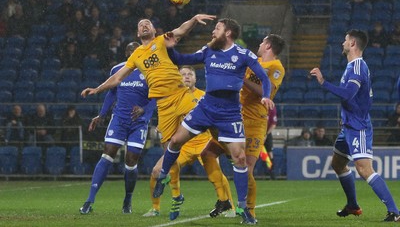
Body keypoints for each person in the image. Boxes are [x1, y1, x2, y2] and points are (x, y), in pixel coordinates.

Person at [80, 14, 215, 212]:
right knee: (171, 145)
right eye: (140, 24)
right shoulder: (135, 57)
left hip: (180, 94)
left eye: (148, 24)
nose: (144, 25)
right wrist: (97, 89)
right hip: (164, 106)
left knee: (209, 115)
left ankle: (226, 146)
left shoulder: (161, 41)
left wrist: (194, 19)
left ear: (153, 30)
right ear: (137, 32)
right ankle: (166, 180)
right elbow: (117, 79)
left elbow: (181, 30)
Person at [153, 18, 275, 224]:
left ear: (227, 33)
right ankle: (163, 175)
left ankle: (243, 208)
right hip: (206, 107)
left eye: (216, 28)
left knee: (240, 159)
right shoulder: (208, 51)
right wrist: (171, 49)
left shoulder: (243, 55)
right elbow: (183, 58)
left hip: (229, 114)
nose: (212, 31)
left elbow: (265, 78)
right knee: (175, 141)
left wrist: (266, 96)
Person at [310, 29, 400, 222]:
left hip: (358, 127)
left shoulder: (358, 67)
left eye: (345, 40)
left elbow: (348, 94)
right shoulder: (351, 66)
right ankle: (352, 205)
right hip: (349, 126)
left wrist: (323, 82)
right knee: (337, 163)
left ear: (352, 44)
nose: (342, 43)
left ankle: (394, 211)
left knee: (364, 169)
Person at [199, 34, 285, 219]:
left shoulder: (276, 67)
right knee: (207, 154)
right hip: (233, 119)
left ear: (268, 45)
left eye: (262, 41)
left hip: (254, 123)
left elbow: (264, 92)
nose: (260, 44)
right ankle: (224, 200)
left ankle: (249, 211)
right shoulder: (254, 60)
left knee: (246, 169)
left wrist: (241, 78)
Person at [143, 65, 235, 220]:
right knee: (156, 171)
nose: (186, 77)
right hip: (184, 147)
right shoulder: (173, 98)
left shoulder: (205, 96)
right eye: (183, 74)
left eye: (190, 74)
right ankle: (155, 208)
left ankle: (230, 207)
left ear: (195, 78)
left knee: (218, 175)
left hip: (204, 143)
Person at [79, 42, 156, 215]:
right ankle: (89, 200)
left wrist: (144, 110)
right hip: (119, 120)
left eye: (136, 51)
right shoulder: (118, 70)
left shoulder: (150, 71)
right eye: (130, 52)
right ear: (127, 54)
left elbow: (156, 97)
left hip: (139, 122)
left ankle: (128, 199)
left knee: (130, 161)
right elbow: (111, 92)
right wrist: (102, 114)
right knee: (107, 155)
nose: (133, 54)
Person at [264, 105, 278, 179]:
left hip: (267, 133)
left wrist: (266, 134)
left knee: (270, 153)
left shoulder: (272, 108)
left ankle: (272, 174)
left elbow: (273, 124)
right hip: (256, 133)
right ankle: (251, 173)